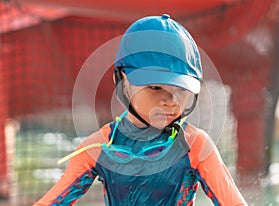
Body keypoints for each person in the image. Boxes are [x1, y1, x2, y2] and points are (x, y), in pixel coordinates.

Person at [34, 14, 247, 205]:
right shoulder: (98, 148)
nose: (170, 101)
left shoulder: (196, 147)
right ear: (122, 80)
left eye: (181, 89)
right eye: (155, 87)